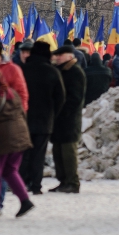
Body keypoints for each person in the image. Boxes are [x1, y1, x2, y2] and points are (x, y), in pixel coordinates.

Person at [0, 68, 34, 219]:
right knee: (9, 170)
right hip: (20, 136)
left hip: (1, 140)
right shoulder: (10, 92)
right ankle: (25, 200)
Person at [19, 41, 66, 194]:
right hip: (44, 120)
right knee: (39, 154)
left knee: (23, 153)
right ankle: (36, 186)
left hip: (24, 118)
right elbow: (61, 97)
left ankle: (21, 183)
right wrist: (53, 113)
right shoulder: (52, 72)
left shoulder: (23, 70)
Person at [50, 46, 86, 194]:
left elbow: (75, 98)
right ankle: (63, 181)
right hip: (58, 119)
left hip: (69, 120)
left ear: (70, 56)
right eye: (56, 55)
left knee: (68, 152)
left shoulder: (75, 72)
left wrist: (62, 111)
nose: (57, 57)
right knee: (57, 152)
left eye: (61, 55)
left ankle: (72, 182)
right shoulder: (59, 71)